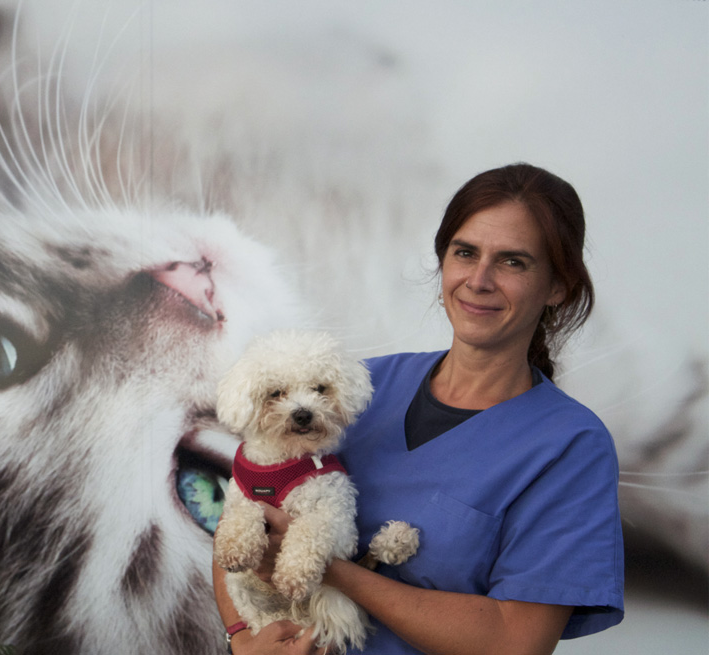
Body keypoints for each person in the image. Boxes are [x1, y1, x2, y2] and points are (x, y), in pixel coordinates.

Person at [213, 163, 625, 655]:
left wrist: (333, 570)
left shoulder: (569, 446)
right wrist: (243, 638)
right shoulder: (350, 391)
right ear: (443, 263)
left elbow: (515, 641)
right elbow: (243, 511)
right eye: (465, 253)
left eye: (513, 261)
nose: (479, 279)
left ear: (558, 286)